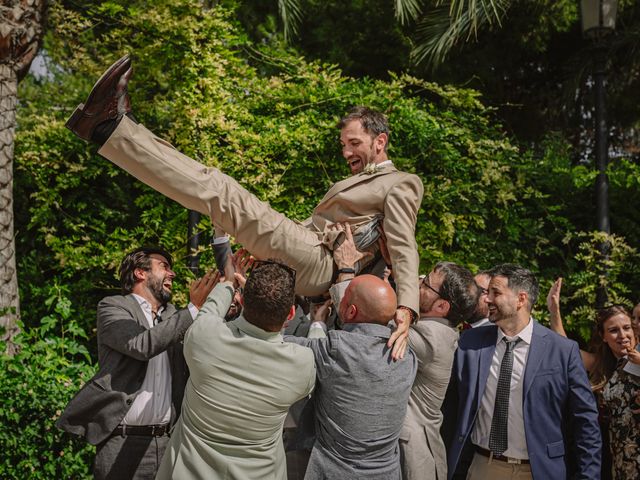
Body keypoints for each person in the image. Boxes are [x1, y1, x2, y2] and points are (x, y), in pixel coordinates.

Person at [65, 54, 424, 358]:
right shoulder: (362, 180)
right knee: (218, 192)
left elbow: (403, 243)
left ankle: (109, 127)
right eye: (343, 144)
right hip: (309, 247)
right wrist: (258, 243)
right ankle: (114, 128)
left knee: (221, 192)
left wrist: (407, 308)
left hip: (323, 265)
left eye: (354, 143)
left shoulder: (403, 182)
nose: (346, 152)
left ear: (381, 141)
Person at [56, 247, 215, 479]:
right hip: (121, 441)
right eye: (164, 267)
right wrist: (193, 309)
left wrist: (230, 285)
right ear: (141, 272)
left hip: (168, 441)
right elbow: (142, 345)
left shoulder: (175, 316)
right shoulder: (113, 307)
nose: (172, 274)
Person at [156, 258, 316, 479]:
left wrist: (230, 281)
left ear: (240, 300)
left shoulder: (204, 337)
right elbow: (320, 353)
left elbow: (210, 309)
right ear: (290, 314)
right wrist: (318, 325)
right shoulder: (302, 364)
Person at [445, 264, 601, 480]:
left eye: (495, 293)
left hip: (540, 471)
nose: (487, 299)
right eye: (487, 292)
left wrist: (589, 476)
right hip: (483, 467)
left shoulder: (563, 351)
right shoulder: (470, 343)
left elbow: (585, 422)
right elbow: (451, 407)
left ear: (521, 299)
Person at [284, 272, 417, 480]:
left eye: (342, 299)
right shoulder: (408, 357)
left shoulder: (337, 348)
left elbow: (276, 344)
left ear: (351, 311)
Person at [547, 279, 640, 479]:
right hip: (617, 455)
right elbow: (566, 349)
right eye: (614, 330)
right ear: (603, 336)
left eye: (627, 328)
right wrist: (554, 310)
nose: (623, 335)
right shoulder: (603, 365)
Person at [400, 262, 479, 480]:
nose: (416, 283)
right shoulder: (438, 328)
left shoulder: (432, 336)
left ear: (442, 306)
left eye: (425, 283)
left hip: (413, 455)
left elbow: (372, 325)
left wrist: (347, 274)